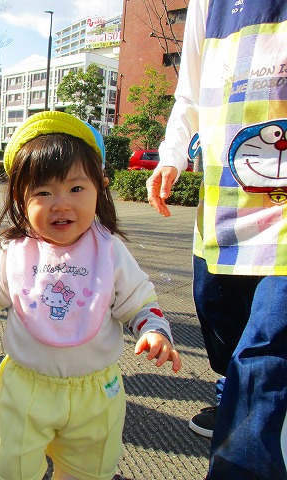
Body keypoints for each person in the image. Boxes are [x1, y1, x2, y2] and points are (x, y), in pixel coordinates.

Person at [0, 111, 182, 480]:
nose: (61, 204)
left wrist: (154, 331)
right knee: (14, 471)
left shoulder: (109, 251)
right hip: (26, 387)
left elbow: (140, 303)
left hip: (95, 393)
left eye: (76, 189)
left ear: (100, 189)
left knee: (89, 472)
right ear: (20, 198)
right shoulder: (15, 250)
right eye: (43, 192)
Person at [146, 1, 287, 477]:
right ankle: (243, 408)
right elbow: (190, 92)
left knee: (263, 358)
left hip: (283, 212)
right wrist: (171, 155)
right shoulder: (209, 4)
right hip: (225, 205)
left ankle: (244, 442)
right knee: (220, 322)